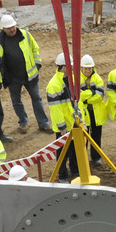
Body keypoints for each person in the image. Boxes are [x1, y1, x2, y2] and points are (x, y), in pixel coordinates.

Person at [0, 14, 51, 133]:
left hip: (30, 75)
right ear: (3, 29)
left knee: (37, 98)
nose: (12, 29)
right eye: (9, 28)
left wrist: (37, 64)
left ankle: (43, 123)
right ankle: (23, 122)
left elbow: (35, 49)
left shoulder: (25, 35)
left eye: (13, 26)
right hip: (13, 78)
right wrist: (3, 77)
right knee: (16, 101)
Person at [46, 53, 79, 183]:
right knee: (62, 152)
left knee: (75, 149)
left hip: (73, 122)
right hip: (63, 126)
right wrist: (62, 127)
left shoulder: (71, 80)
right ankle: (63, 175)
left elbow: (77, 101)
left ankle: (75, 170)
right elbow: (56, 109)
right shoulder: (54, 85)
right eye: (69, 65)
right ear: (64, 67)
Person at [79, 54, 108, 168]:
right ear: (81, 68)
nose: (87, 71)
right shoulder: (77, 78)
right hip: (85, 114)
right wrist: (92, 93)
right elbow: (79, 95)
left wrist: (86, 100)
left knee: (96, 137)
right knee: (84, 138)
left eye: (89, 68)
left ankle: (96, 158)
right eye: (86, 68)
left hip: (96, 114)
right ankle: (84, 159)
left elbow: (100, 95)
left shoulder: (98, 79)